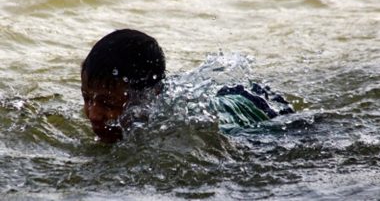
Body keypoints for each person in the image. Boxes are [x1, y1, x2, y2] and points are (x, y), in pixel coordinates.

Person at [81, 29, 293, 143]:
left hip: (254, 104)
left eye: (108, 103)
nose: (93, 114)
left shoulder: (188, 132)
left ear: (151, 96)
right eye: (87, 98)